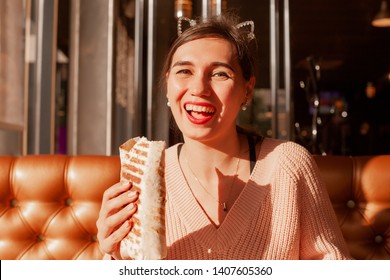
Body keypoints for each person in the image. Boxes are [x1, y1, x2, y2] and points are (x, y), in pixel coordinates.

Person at [96, 13, 352, 260]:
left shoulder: (288, 165)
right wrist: (118, 259)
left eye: (219, 74)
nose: (198, 89)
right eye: (184, 71)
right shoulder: (142, 181)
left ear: (247, 90)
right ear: (168, 85)